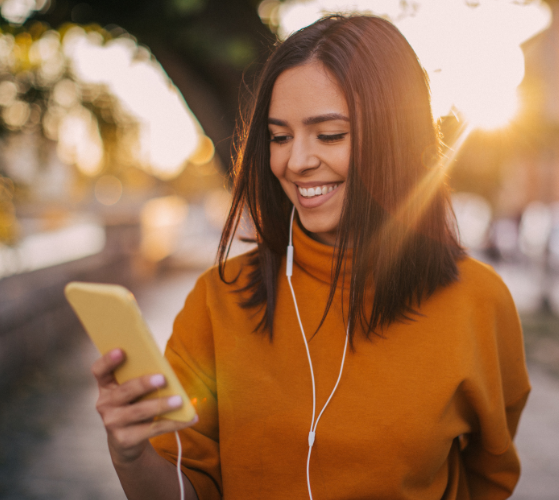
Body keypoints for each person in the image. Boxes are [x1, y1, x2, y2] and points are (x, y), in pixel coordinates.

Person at [91, 14, 530, 500]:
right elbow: (184, 489)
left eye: (329, 134)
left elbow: (487, 481)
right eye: (280, 137)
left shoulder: (480, 302)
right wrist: (129, 454)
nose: (296, 161)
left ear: (396, 138)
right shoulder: (218, 301)